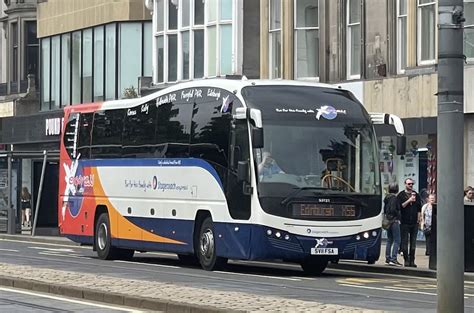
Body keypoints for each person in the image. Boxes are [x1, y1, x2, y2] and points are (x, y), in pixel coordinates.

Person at [397, 178, 422, 267]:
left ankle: (412, 260)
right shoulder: (401, 195)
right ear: (405, 184)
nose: (410, 185)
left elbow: (419, 208)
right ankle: (406, 260)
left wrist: (419, 219)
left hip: (414, 222)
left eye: (412, 184)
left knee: (413, 243)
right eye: (409, 184)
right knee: (404, 242)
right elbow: (401, 206)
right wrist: (409, 200)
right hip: (404, 222)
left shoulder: (417, 195)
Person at [384, 183, 402, 266]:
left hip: (388, 220)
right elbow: (393, 209)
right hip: (394, 220)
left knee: (389, 239)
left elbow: (386, 210)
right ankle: (393, 259)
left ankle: (388, 258)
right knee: (397, 240)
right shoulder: (394, 198)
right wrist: (398, 215)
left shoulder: (387, 198)